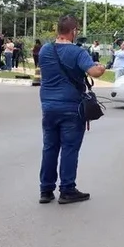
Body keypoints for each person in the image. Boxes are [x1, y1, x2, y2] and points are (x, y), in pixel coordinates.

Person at [37, 16, 106, 204]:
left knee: (50, 147)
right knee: (69, 148)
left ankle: (46, 189)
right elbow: (93, 72)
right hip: (71, 107)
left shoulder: (45, 49)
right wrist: (101, 68)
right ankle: (67, 189)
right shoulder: (78, 52)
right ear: (74, 31)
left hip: (48, 106)